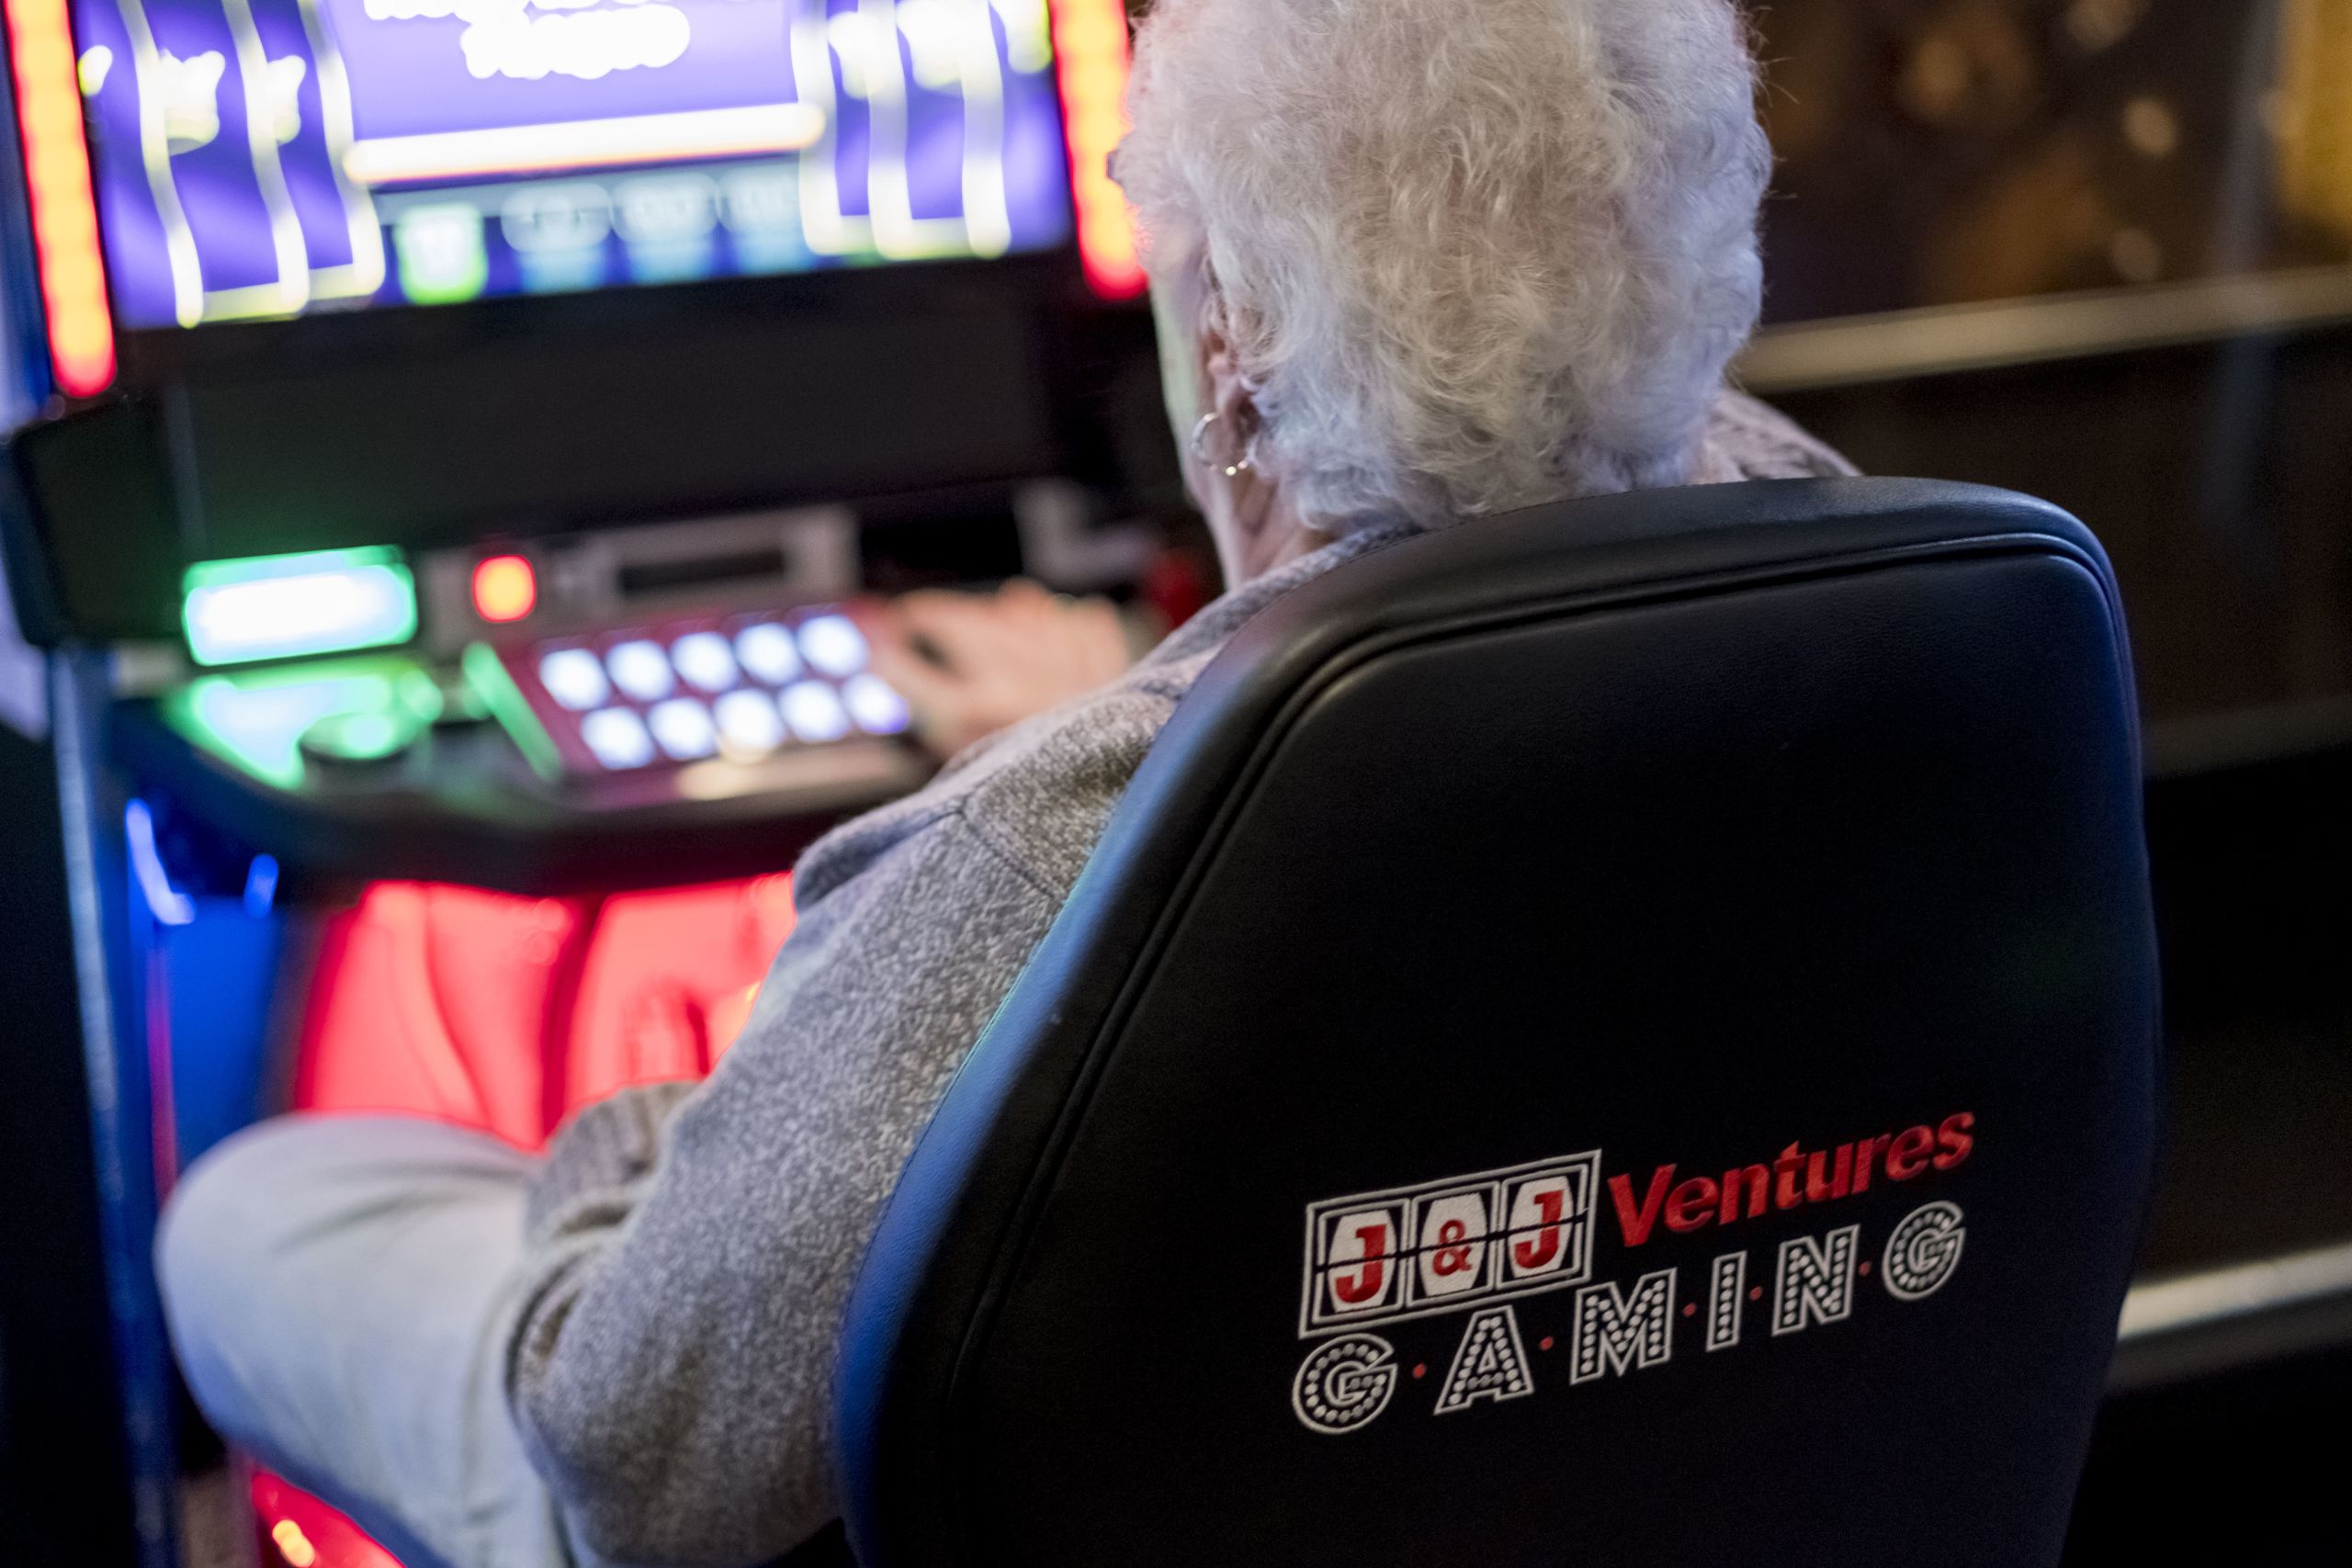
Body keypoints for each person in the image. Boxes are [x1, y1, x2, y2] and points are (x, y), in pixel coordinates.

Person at [155, 2, 1853, 1564]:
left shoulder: (1061, 829)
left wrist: (687, 1120)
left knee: (255, 1212)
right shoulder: (1893, 604)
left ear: (1230, 344)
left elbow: (640, 1458)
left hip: (1112, 1448)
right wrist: (1160, 692)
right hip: (1626, 1450)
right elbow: (1591, 394)